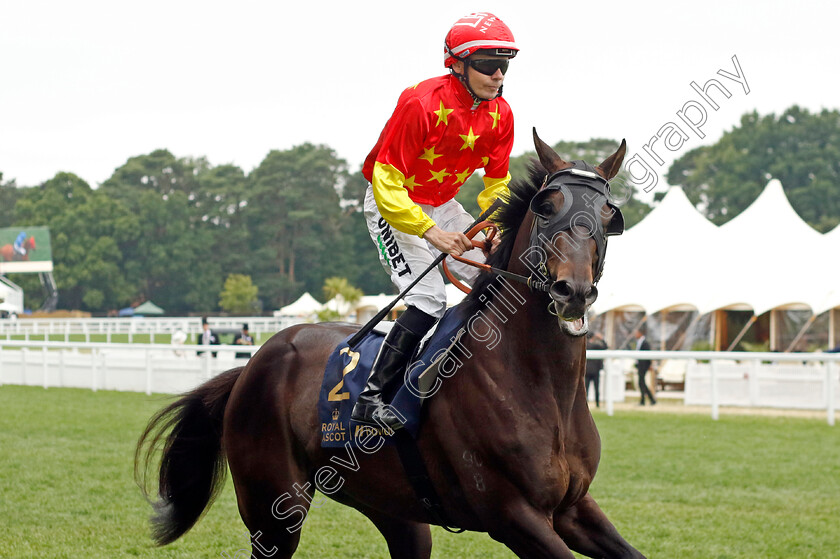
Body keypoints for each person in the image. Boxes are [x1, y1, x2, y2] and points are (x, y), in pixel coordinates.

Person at [351, 12, 519, 429]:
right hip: (393, 203)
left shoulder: (501, 115)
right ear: (457, 64)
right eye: (487, 64)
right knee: (429, 299)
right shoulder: (421, 101)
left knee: (499, 277)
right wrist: (431, 233)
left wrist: (497, 227)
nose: (498, 74)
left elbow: (497, 184)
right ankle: (371, 397)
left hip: (443, 203)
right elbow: (386, 181)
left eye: (505, 64)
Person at [633, 329, 656, 406]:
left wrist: (649, 365)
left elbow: (648, 354)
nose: (635, 334)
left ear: (640, 333)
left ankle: (644, 400)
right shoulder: (639, 342)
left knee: (641, 383)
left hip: (644, 366)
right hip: (640, 365)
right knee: (642, 383)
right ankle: (651, 399)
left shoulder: (645, 343)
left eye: (636, 333)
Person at [585, 331, 608, 407]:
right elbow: (605, 347)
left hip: (586, 371)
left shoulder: (585, 345)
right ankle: (597, 404)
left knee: (586, 389)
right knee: (596, 389)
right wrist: (601, 339)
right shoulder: (596, 346)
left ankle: (585, 404)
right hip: (595, 371)